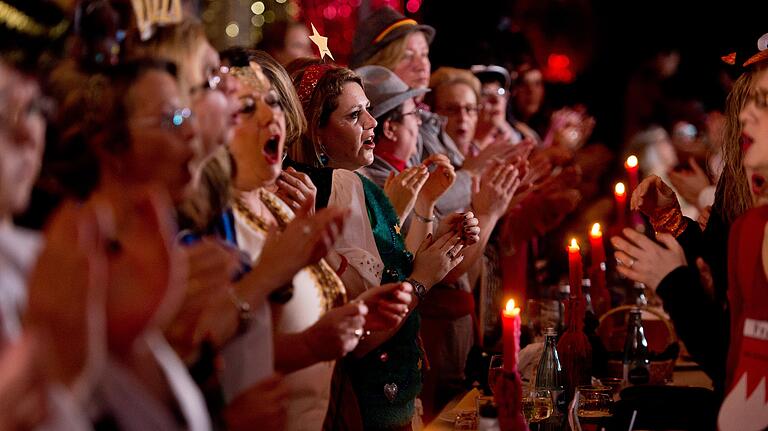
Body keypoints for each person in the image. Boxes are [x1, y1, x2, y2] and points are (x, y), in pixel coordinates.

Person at [287, 57, 469, 430]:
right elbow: (361, 337)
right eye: (354, 116)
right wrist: (424, 280)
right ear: (316, 132)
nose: (372, 124)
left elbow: (393, 264)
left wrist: (427, 212)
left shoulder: (357, 183)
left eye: (368, 110)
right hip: (359, 405)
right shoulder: (339, 185)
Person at [610, 61, 757, 398]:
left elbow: (728, 356)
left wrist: (674, 283)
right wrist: (673, 222)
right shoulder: (739, 173)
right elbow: (720, 260)